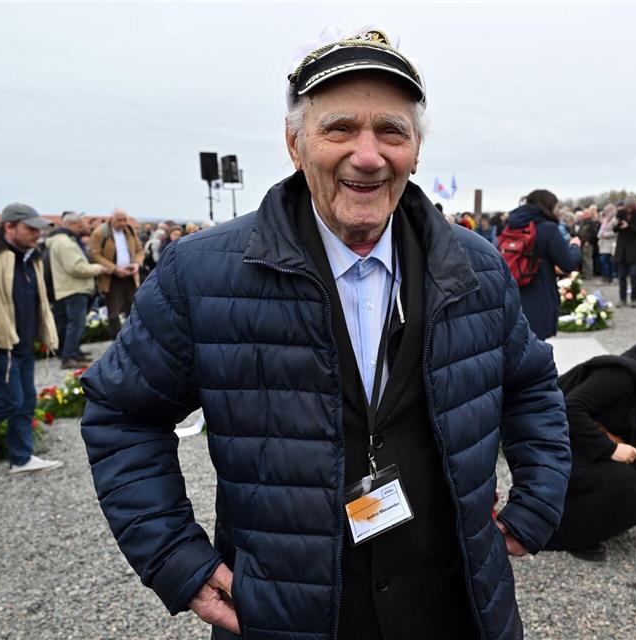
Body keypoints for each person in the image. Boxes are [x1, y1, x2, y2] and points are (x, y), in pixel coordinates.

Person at [80, 26, 571, 640]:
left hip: (455, 608)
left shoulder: (474, 266)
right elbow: (122, 414)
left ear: (415, 148)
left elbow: (529, 383)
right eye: (339, 128)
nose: (368, 155)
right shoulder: (202, 273)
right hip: (292, 616)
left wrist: (538, 500)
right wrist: (176, 556)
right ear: (294, 143)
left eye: (391, 131)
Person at [547, 343, 636, 561]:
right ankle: (569, 534)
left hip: (572, 443)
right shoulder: (620, 376)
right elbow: (571, 408)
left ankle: (586, 522)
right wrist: (610, 449)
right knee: (629, 483)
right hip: (548, 448)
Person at [0, 204, 62, 474]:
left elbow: (38, 301)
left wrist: (46, 334)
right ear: (9, 226)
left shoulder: (32, 256)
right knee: (9, 401)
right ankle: (20, 456)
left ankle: (21, 458)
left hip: (24, 343)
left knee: (26, 401)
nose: (37, 234)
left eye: (39, 228)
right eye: (30, 228)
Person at [507, 189, 581, 339]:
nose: (558, 211)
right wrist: (575, 247)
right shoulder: (547, 228)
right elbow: (568, 263)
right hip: (539, 296)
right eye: (557, 207)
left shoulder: (511, 225)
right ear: (548, 206)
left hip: (512, 295)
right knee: (537, 349)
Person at [46, 211, 107, 368]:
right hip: (74, 288)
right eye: (80, 225)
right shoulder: (66, 243)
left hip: (69, 287)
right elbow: (75, 267)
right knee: (76, 324)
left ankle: (72, 352)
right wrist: (97, 268)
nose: (82, 228)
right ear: (72, 225)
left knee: (71, 323)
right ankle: (69, 357)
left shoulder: (62, 241)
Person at [88, 208, 145, 338]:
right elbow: (94, 255)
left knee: (133, 309)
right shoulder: (100, 233)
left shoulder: (130, 231)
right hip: (112, 278)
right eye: (119, 220)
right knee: (113, 312)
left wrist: (137, 263)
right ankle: (116, 341)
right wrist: (114, 269)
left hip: (131, 276)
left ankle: (134, 338)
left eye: (125, 220)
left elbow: (139, 250)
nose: (123, 223)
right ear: (112, 219)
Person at [614, 197, 636, 307]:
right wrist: (618, 225)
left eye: (630, 208)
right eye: (627, 208)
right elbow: (615, 229)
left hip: (634, 249)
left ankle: (634, 298)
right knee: (622, 276)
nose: (629, 210)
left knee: (634, 275)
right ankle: (622, 298)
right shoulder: (620, 213)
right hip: (622, 249)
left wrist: (629, 226)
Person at [597, 205, 617, 283]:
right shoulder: (605, 220)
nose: (606, 213)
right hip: (603, 244)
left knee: (606, 260)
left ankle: (609, 277)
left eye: (607, 211)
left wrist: (606, 234)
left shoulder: (614, 220)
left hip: (610, 243)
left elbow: (616, 232)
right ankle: (605, 277)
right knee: (604, 260)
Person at [577, 207, 598, 279]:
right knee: (583, 259)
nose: (583, 215)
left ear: (588, 214)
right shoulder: (583, 222)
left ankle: (589, 275)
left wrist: (588, 241)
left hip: (587, 244)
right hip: (581, 243)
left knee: (587, 259)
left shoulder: (591, 223)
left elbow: (594, 234)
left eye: (584, 213)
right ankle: (584, 273)